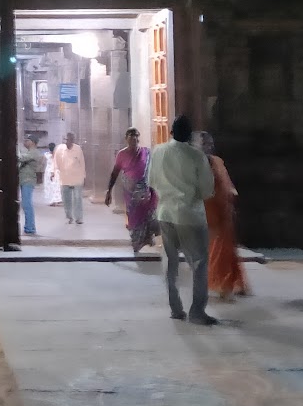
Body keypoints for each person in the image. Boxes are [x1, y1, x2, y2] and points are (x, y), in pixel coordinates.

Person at [146, 115, 215, 323]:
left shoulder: (158, 152)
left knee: (170, 263)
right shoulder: (197, 156)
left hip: (165, 213)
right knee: (199, 264)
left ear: (171, 132)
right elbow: (207, 190)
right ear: (190, 135)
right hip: (190, 215)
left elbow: (151, 182)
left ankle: (175, 308)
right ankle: (197, 311)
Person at [198, 131, 250, 301]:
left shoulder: (217, 161)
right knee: (214, 249)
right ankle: (223, 283)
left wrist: (232, 196)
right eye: (203, 144)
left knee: (225, 249)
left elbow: (227, 183)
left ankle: (229, 283)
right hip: (207, 210)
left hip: (223, 209)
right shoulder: (194, 164)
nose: (207, 146)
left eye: (208, 143)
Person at [103, 127, 157, 253]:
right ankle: (136, 242)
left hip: (145, 192)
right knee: (133, 218)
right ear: (126, 139)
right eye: (132, 137)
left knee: (148, 216)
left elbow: (152, 170)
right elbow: (115, 173)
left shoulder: (146, 152)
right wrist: (109, 191)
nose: (135, 139)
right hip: (131, 193)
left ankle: (147, 239)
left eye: (137, 137)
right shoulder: (121, 154)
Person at [54, 133, 86, 225]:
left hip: (77, 177)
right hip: (64, 178)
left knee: (77, 198)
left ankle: (78, 218)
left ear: (72, 140)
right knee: (66, 199)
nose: (65, 141)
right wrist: (55, 173)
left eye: (67, 139)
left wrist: (84, 176)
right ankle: (69, 217)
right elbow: (56, 162)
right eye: (64, 139)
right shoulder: (59, 149)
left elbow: (82, 163)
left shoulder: (78, 149)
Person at [17, 136, 44, 236]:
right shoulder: (29, 152)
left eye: (27, 140)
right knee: (26, 205)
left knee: (27, 205)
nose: (25, 142)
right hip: (24, 180)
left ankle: (30, 228)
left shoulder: (34, 152)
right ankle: (29, 227)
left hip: (28, 180)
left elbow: (21, 158)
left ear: (32, 142)